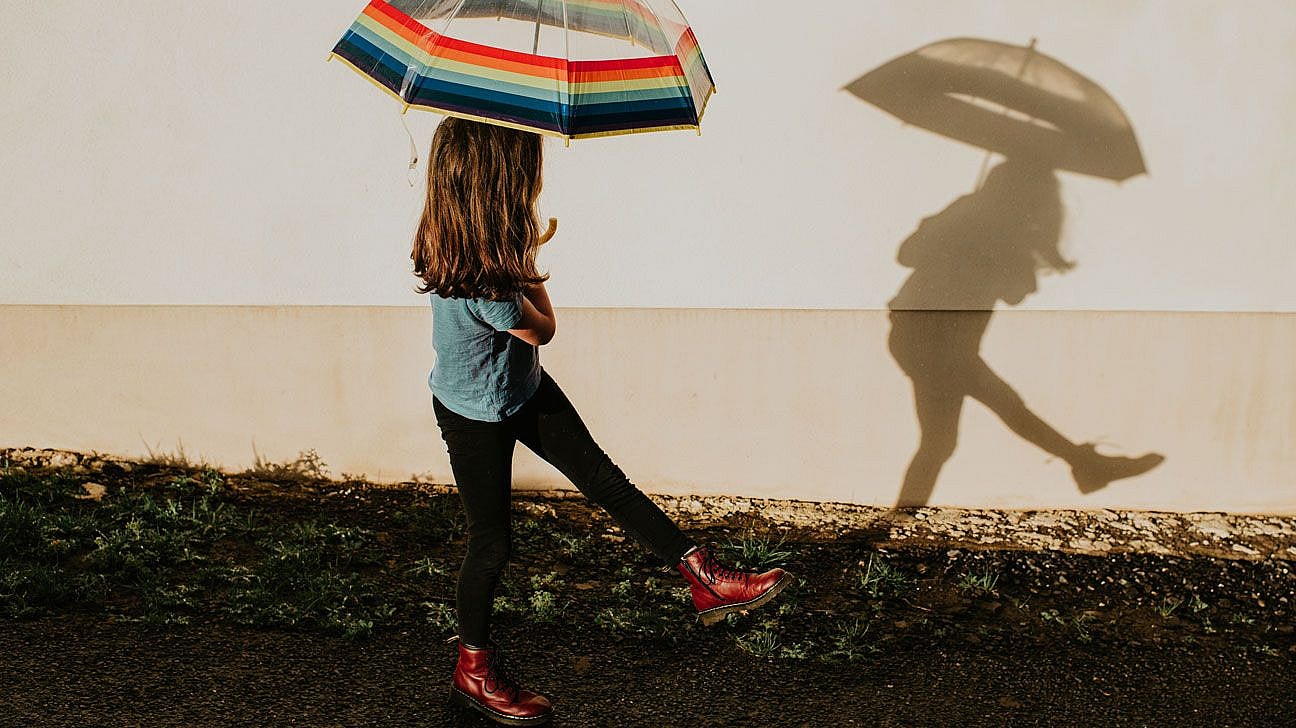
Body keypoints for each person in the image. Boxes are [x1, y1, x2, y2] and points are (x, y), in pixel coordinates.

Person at [413, 117, 794, 726]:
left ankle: (703, 577)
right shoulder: (480, 279)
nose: (532, 186)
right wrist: (530, 261)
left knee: (604, 479)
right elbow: (543, 328)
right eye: (524, 176)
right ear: (495, 186)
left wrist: (517, 253)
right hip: (473, 414)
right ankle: (473, 667)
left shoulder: (473, 247)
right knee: (491, 544)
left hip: (523, 388)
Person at [887, 158, 1164, 508]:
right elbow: (910, 254)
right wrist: (953, 229)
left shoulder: (988, 222)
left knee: (941, 441)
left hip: (926, 336)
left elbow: (1012, 289)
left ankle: (902, 518)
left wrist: (974, 236)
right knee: (1001, 408)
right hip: (930, 337)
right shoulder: (976, 216)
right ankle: (1087, 464)